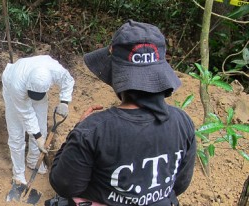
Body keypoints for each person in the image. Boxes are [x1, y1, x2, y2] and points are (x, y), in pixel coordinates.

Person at [49, 20, 197, 206]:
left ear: (118, 75)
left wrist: (77, 132)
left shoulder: (93, 130)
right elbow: (180, 185)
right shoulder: (183, 122)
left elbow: (64, 185)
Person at [2, 55, 75, 185]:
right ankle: (18, 173)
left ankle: (33, 160)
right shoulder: (16, 85)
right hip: (12, 84)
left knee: (41, 127)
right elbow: (26, 114)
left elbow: (68, 81)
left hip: (35, 85)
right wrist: (38, 138)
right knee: (16, 133)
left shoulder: (55, 71)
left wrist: (64, 101)